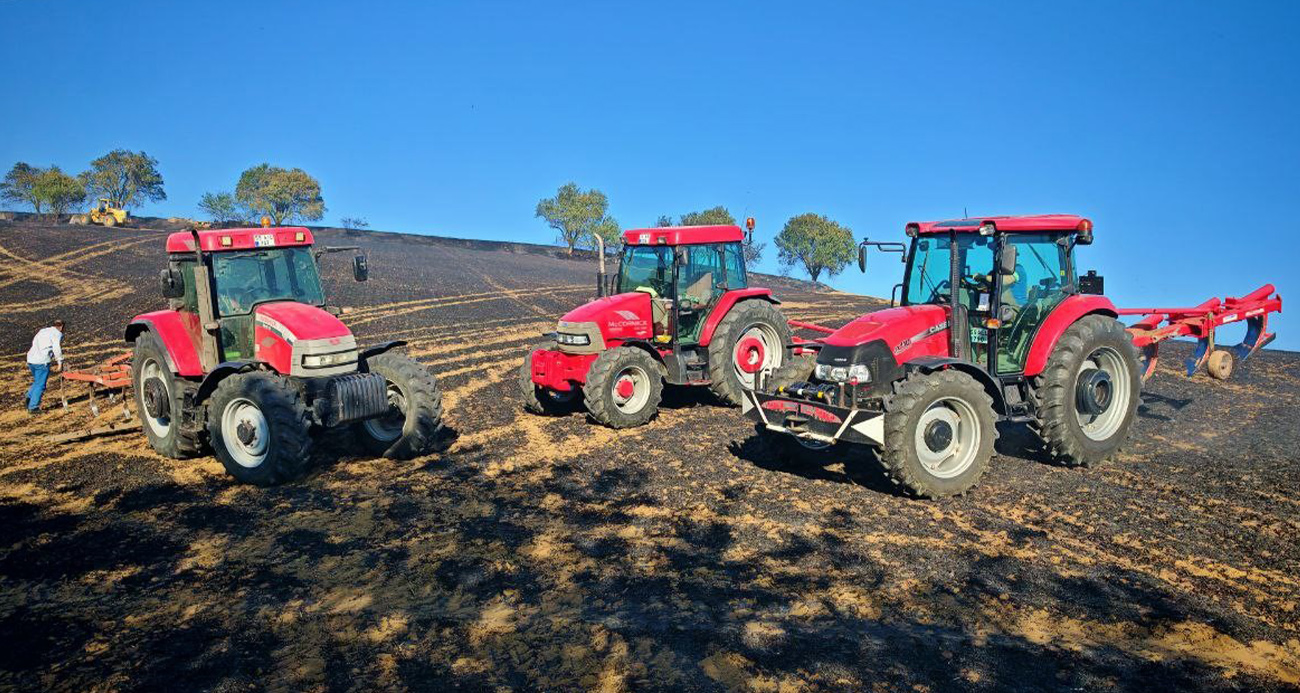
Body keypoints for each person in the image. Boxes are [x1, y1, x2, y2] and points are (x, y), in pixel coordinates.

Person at [26, 320, 64, 415]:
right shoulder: (57, 334)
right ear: (62, 327)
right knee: (41, 385)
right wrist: (59, 362)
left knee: (37, 381)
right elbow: (56, 348)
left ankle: (29, 397)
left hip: (31, 359)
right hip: (42, 361)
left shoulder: (43, 331)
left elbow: (34, 342)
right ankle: (33, 407)